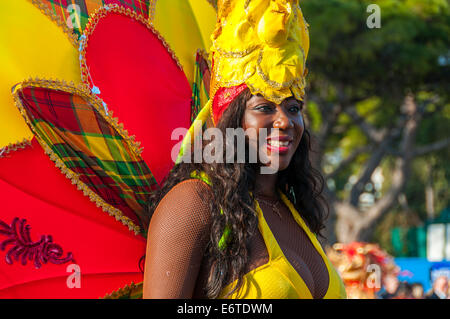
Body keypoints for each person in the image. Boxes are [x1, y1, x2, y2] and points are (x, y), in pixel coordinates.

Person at [142, 0, 347, 299]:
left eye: (293, 108)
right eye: (264, 107)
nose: (284, 122)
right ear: (231, 117)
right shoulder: (194, 204)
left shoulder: (292, 208)